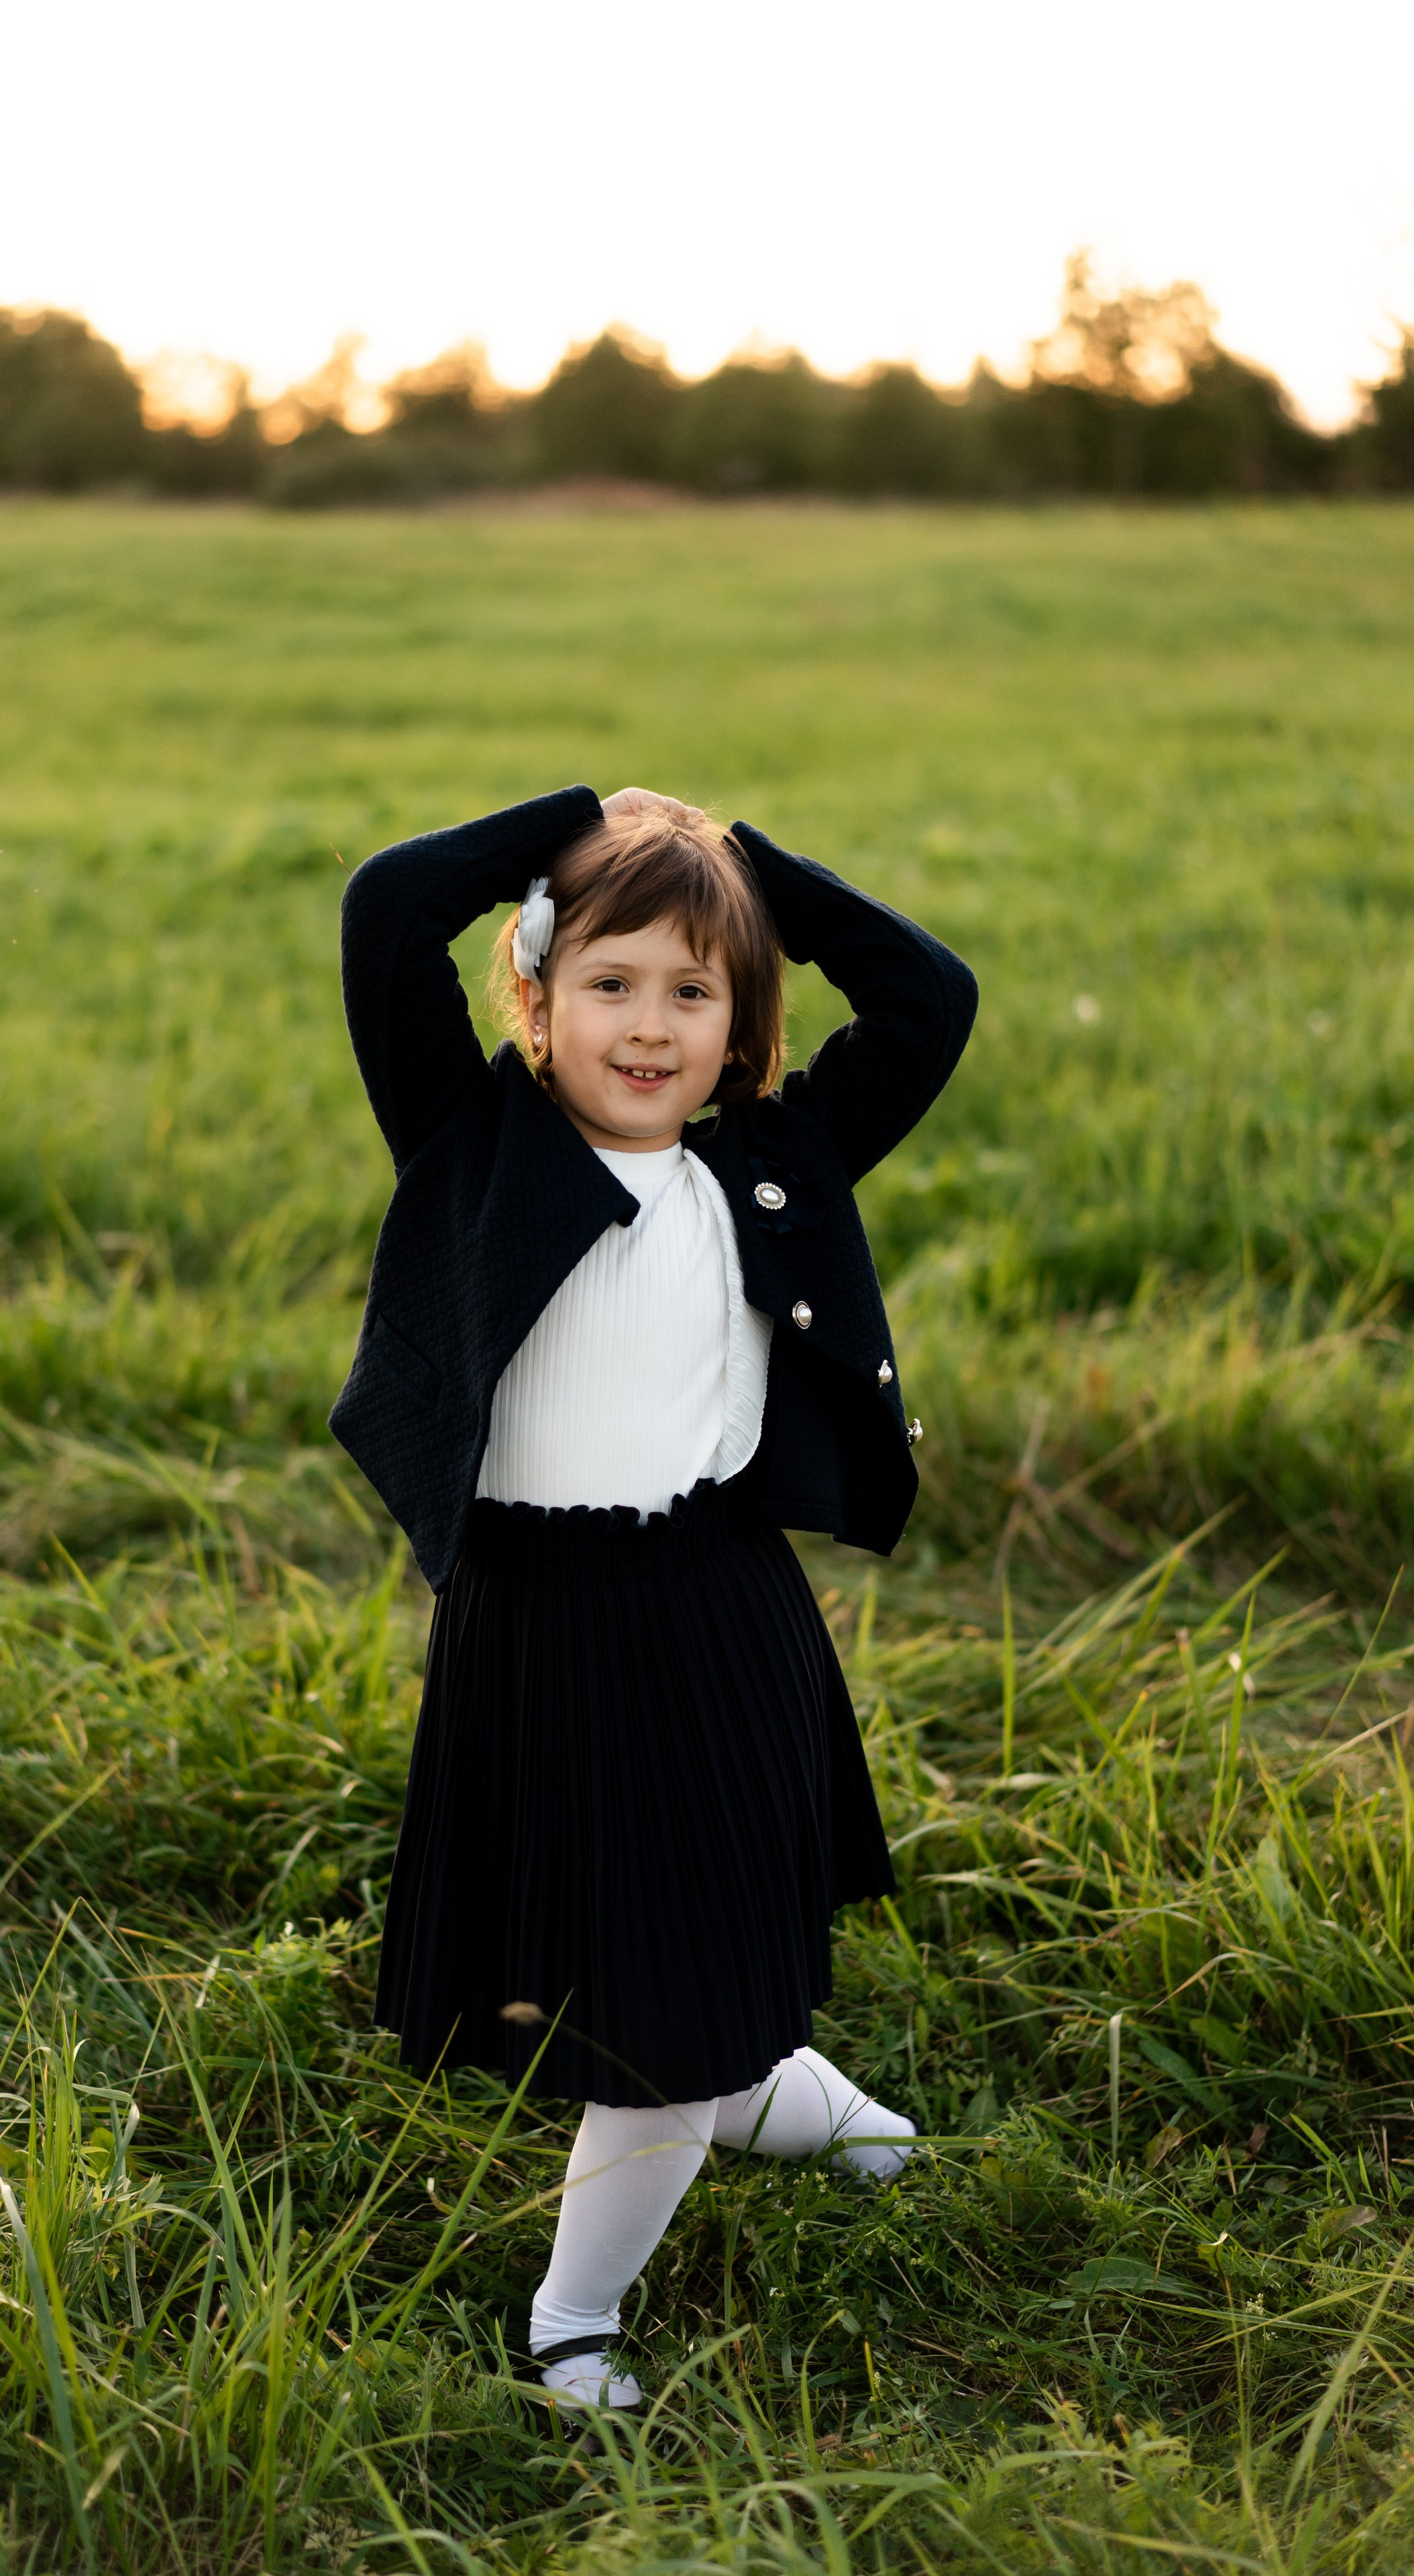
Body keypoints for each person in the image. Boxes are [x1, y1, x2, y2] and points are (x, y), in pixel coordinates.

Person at [331, 783, 977, 2410]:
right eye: (609, 982)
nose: (648, 1026)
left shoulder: (769, 1160)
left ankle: (577, 2312)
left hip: (712, 1609)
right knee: (615, 1965)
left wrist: (741, 867)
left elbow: (926, 998)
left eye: (695, 992)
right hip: (530, 1621)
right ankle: (762, 2099)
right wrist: (576, 825)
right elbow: (386, 908)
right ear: (535, 996)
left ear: (741, 1028)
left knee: (677, 1989)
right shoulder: (476, 1146)